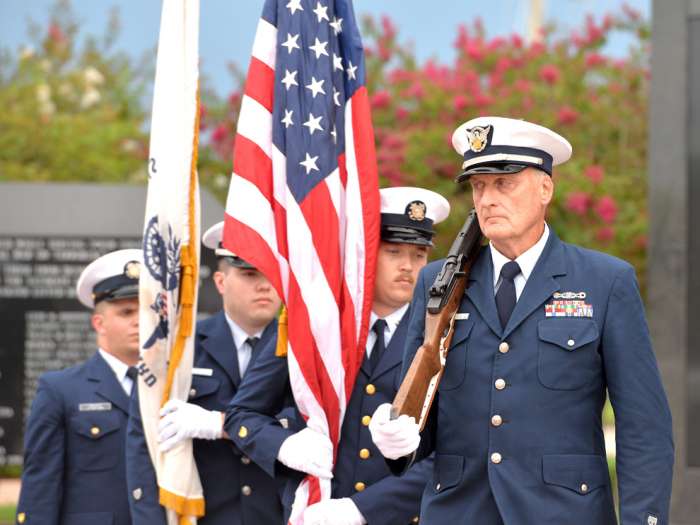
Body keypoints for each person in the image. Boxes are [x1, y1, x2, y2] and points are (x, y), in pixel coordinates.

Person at [369, 116, 674, 525]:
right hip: (459, 513)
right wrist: (399, 441)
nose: (488, 199)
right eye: (478, 186)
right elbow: (421, 416)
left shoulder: (604, 282)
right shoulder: (438, 283)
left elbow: (643, 425)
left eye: (504, 183)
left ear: (545, 188)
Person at [225, 187, 450, 525]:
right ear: (365, 254)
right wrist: (285, 446)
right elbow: (242, 414)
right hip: (317, 511)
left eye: (419, 254)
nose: (408, 266)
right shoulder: (315, 326)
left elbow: (452, 450)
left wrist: (363, 509)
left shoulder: (444, 335)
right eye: (393, 251)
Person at [126, 221, 285, 525]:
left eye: (272, 275)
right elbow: (144, 445)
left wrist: (221, 424)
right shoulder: (181, 350)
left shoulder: (304, 353)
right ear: (221, 282)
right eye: (250, 274)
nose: (265, 285)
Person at [15, 249, 142, 525]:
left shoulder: (174, 386)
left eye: (147, 309)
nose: (139, 320)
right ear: (99, 323)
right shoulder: (61, 390)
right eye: (126, 312)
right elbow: (41, 484)